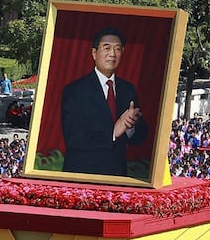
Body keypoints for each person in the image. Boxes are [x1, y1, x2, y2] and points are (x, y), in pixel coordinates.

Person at [61, 27, 148, 176]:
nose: (112, 54)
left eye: (118, 49)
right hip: (82, 176)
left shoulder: (128, 89)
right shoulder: (74, 90)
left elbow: (140, 137)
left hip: (117, 176)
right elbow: (73, 138)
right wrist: (113, 132)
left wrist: (130, 127)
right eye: (106, 48)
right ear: (94, 53)